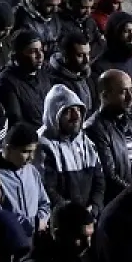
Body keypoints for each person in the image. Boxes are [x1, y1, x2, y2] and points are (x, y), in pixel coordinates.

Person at [38, 83, 104, 216]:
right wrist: (74, 214)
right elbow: (48, 189)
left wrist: (95, 206)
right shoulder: (43, 144)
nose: (76, 116)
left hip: (87, 217)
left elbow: (99, 180)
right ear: (54, 114)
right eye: (68, 111)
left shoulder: (86, 142)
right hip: (63, 220)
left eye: (78, 110)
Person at [0, 125, 50, 245]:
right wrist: (33, 224)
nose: (31, 157)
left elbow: (44, 203)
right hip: (8, 245)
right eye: (25, 151)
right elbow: (1, 216)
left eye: (33, 151)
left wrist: (41, 220)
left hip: (34, 242)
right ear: (8, 149)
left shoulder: (32, 171)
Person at [0, 32, 51, 130]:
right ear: (18, 54)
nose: (39, 55)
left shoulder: (43, 72)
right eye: (32, 51)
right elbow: (16, 122)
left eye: (40, 50)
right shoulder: (6, 82)